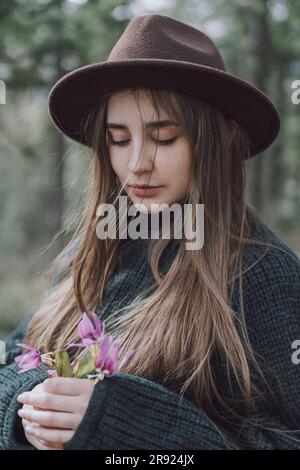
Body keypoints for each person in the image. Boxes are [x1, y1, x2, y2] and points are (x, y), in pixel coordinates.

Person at [1, 13, 300, 451]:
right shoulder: (91, 252)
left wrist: (125, 422)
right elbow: (12, 353)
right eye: (119, 140)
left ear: (212, 141)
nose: (137, 162)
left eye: (163, 137)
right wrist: (27, 410)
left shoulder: (265, 276)